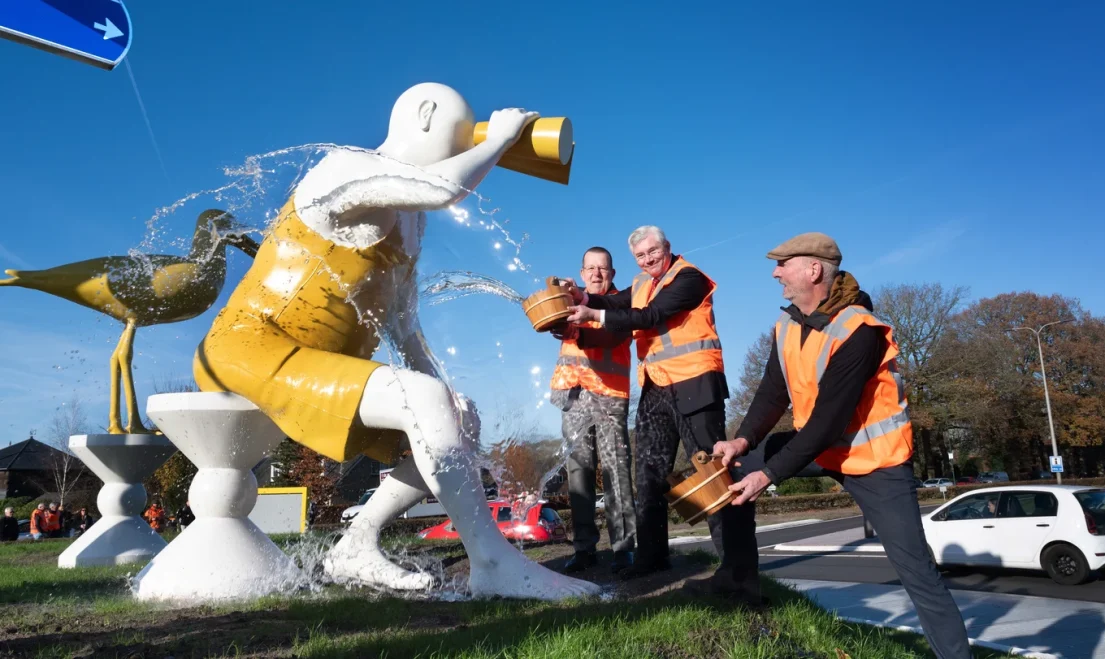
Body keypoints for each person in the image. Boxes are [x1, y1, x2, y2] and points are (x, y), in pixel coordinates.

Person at [192, 82, 596, 600]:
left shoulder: (411, 220)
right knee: (428, 401)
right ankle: (492, 563)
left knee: (457, 412)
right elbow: (443, 188)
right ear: (424, 114)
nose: (460, 151)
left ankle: (356, 544)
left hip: (316, 361)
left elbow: (402, 326)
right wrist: (497, 138)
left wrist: (440, 406)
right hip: (246, 346)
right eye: (458, 137)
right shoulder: (346, 167)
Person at [712, 232, 972, 658]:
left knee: (918, 574)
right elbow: (771, 394)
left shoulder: (859, 331)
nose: (776, 272)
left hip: (875, 462)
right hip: (821, 448)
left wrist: (770, 473)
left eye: (783, 264)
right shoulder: (787, 323)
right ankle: (738, 582)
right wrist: (742, 441)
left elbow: (828, 422)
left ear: (813, 270)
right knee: (735, 468)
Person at [565, 225, 738, 584]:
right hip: (656, 389)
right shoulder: (642, 284)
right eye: (640, 257)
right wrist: (581, 299)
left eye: (652, 253)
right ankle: (652, 557)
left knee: (712, 474)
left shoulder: (689, 278)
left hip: (696, 385)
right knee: (648, 475)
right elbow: (613, 301)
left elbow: (649, 317)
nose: (647, 261)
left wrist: (592, 315)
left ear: (667, 248)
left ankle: (734, 565)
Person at [550, 246, 637, 573]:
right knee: (578, 474)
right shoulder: (568, 302)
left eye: (603, 269)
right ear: (583, 274)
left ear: (612, 275)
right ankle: (584, 549)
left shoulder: (622, 305)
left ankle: (623, 548)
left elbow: (613, 338)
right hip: (572, 395)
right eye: (591, 268)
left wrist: (576, 329)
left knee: (617, 471)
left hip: (610, 395)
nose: (597, 273)